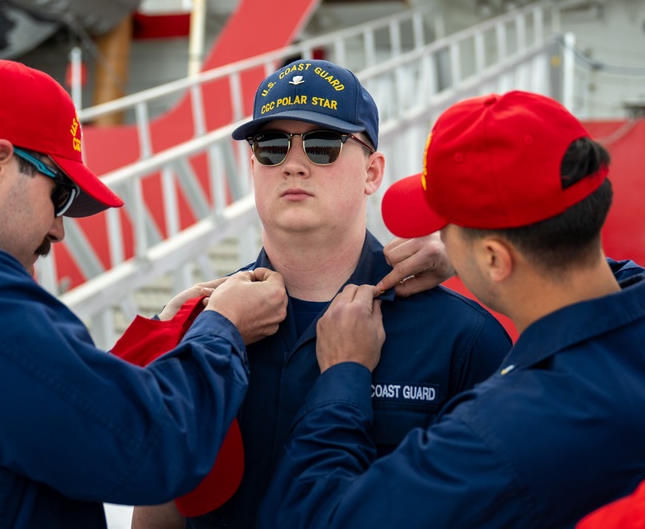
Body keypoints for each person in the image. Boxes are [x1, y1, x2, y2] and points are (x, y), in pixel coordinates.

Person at [0, 59, 289, 529]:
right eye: (59, 195)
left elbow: (39, 412)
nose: (58, 229)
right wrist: (222, 328)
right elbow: (151, 447)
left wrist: (171, 331)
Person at [259, 90, 645, 528]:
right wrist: (470, 254)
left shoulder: (500, 435)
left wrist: (343, 373)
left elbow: (312, 517)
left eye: (446, 227)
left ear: (496, 258)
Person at [132, 59, 512, 528]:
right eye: (271, 146)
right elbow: (158, 507)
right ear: (253, 166)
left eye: (323, 144)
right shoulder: (198, 328)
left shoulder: (462, 339)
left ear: (373, 173)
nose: (293, 163)